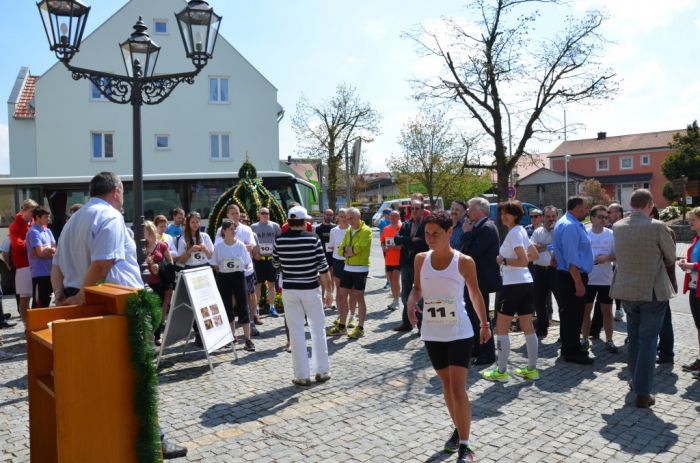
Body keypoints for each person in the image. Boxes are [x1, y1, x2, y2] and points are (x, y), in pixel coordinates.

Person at [49, 172, 187, 459]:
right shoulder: (109, 216)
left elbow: (57, 267)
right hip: (117, 308)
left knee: (102, 378)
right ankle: (153, 441)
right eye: (123, 194)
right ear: (116, 191)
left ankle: (111, 438)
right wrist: (80, 298)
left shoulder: (73, 220)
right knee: (138, 377)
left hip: (91, 303)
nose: (123, 199)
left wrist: (61, 295)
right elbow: (102, 265)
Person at [406, 211, 491, 462]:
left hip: (459, 331)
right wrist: (411, 302)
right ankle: (458, 428)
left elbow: (475, 294)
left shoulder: (464, 261)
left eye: (436, 234)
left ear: (449, 233)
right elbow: (418, 289)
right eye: (427, 234)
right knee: (446, 386)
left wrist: (484, 324)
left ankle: (465, 445)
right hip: (432, 331)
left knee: (457, 387)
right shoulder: (421, 259)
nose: (430, 238)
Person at [609, 189, 676, 408]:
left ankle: (634, 380)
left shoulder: (617, 227)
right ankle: (643, 392)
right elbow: (670, 256)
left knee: (634, 338)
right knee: (648, 341)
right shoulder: (658, 227)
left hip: (627, 291)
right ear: (649, 204)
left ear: (631, 204)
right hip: (653, 292)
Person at [273, 205, 333, 386]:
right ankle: (322, 371)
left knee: (296, 331)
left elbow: (276, 265)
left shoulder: (280, 240)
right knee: (317, 329)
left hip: (290, 288)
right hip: (310, 288)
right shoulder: (313, 239)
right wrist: (329, 291)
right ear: (304, 221)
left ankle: (301, 375)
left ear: (289, 221)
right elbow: (323, 268)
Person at [483, 201, 540, 382]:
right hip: (526, 283)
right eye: (502, 214)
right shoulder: (521, 230)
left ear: (516, 214)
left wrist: (503, 261)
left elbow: (524, 260)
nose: (503, 216)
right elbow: (534, 256)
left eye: (507, 213)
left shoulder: (514, 233)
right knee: (527, 326)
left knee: (501, 328)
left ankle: (501, 372)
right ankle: (532, 369)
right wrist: (514, 260)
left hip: (513, 285)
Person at [552, 196, 595, 364]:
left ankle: (570, 347)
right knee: (573, 315)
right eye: (585, 207)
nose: (587, 210)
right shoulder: (570, 226)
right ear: (577, 208)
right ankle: (571, 352)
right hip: (572, 276)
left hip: (568, 275)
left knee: (569, 314)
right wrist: (578, 282)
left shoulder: (566, 222)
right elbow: (572, 259)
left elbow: (560, 248)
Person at [459, 197, 500, 364]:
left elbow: (471, 253)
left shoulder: (487, 228)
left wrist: (467, 233)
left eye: (470, 208)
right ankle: (476, 347)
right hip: (474, 279)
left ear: (480, 210)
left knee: (482, 317)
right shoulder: (478, 226)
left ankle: (488, 353)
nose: (467, 211)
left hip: (482, 279)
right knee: (472, 315)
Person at [214, 205, 261, 333]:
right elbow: (218, 246)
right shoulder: (221, 230)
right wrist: (236, 246)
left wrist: (235, 245)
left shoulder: (246, 229)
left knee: (250, 295)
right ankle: (231, 327)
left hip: (246, 269)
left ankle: (251, 321)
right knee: (232, 299)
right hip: (228, 272)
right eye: (232, 213)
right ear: (227, 215)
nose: (235, 215)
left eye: (237, 213)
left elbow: (252, 246)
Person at [212, 219, 255, 352]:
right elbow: (214, 263)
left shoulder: (240, 245)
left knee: (242, 305)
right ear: (224, 231)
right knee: (227, 306)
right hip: (224, 278)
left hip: (238, 276)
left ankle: (248, 339)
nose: (234, 231)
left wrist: (238, 263)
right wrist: (220, 267)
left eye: (234, 228)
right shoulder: (219, 246)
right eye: (231, 228)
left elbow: (247, 262)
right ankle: (232, 336)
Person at [580, 205, 619, 353]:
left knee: (607, 310)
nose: (604, 219)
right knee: (586, 309)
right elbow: (579, 255)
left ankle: (609, 340)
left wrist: (607, 257)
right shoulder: (585, 234)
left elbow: (618, 256)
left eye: (605, 217)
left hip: (606, 280)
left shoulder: (611, 234)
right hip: (588, 279)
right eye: (600, 216)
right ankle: (584, 338)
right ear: (592, 218)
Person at [334, 207, 372, 339]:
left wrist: (348, 250)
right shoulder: (349, 230)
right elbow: (340, 250)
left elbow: (358, 249)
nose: (349, 221)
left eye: (352, 218)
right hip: (348, 268)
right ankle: (342, 326)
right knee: (341, 295)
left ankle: (360, 327)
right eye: (347, 218)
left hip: (360, 269)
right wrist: (348, 251)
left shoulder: (366, 231)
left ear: (359, 217)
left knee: (358, 296)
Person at [393, 200, 428, 333]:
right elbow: (397, 239)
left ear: (422, 210)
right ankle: (407, 322)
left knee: (419, 295)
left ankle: (421, 325)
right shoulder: (406, 224)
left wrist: (406, 242)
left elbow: (424, 242)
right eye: (412, 208)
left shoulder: (426, 224)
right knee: (405, 295)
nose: (414, 210)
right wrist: (411, 240)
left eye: (417, 208)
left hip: (420, 265)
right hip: (406, 264)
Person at [143, 220, 174, 346]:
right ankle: (148, 335)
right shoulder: (140, 247)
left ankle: (157, 335)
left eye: (143, 231)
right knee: (148, 309)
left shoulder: (162, 245)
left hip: (159, 282)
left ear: (150, 231)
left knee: (159, 308)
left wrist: (159, 266)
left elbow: (170, 263)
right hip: (145, 283)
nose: (141, 233)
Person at [530, 205, 557, 339]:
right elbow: (532, 250)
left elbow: (560, 248)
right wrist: (548, 246)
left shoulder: (559, 231)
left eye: (553, 216)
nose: (551, 219)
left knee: (561, 302)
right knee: (539, 302)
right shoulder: (537, 232)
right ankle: (542, 329)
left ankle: (564, 333)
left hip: (555, 271)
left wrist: (541, 246)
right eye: (548, 216)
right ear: (543, 217)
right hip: (539, 270)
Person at [327, 209, 356, 332]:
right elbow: (331, 246)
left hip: (350, 261)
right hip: (338, 261)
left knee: (352, 290)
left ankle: (352, 316)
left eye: (345, 216)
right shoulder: (334, 230)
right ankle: (341, 315)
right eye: (341, 216)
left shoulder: (352, 229)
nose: (343, 218)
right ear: (337, 217)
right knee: (339, 291)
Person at [10, 198, 38, 323]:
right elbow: (18, 246)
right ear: (23, 210)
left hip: (36, 265)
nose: (33, 214)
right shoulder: (14, 226)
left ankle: (34, 324)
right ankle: (27, 325)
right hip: (24, 267)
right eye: (31, 211)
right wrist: (34, 244)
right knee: (25, 299)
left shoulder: (34, 223)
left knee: (38, 298)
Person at [679, 207, 700, 377]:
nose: (690, 222)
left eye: (693, 219)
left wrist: (691, 266)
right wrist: (687, 262)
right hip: (695, 288)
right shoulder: (696, 238)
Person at [251, 207, 282, 318]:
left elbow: (279, 241)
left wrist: (277, 255)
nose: (265, 215)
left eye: (267, 213)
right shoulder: (253, 227)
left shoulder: (275, 226)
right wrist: (255, 254)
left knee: (271, 284)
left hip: (271, 260)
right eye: (263, 213)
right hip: (259, 260)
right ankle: (257, 308)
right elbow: (251, 242)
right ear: (258, 215)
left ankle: (272, 307)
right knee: (258, 285)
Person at [26, 207, 56, 309]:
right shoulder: (34, 232)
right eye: (45, 217)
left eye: (48, 216)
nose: (48, 219)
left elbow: (54, 248)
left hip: (50, 272)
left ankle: (42, 325)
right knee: (39, 304)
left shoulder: (47, 231)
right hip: (40, 274)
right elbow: (40, 253)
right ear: (37, 217)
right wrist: (49, 251)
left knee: (46, 302)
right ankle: (35, 325)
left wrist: (48, 250)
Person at [607, 203, 625, 322]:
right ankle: (618, 309)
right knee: (613, 287)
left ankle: (621, 309)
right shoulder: (608, 227)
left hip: (623, 264)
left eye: (610, 212)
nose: (607, 215)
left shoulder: (625, 227)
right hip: (611, 264)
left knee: (621, 288)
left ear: (618, 213)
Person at [381, 210, 402, 310]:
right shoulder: (386, 229)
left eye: (395, 216)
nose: (393, 217)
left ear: (399, 217)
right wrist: (383, 247)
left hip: (399, 259)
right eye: (391, 216)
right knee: (391, 281)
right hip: (388, 259)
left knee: (395, 279)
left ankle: (397, 300)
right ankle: (394, 299)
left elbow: (405, 244)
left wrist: (395, 247)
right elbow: (382, 241)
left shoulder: (401, 228)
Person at [315, 209, 336, 306]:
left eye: (331, 215)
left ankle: (331, 298)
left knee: (332, 279)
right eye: (327, 214)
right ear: (324, 215)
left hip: (333, 256)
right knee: (323, 279)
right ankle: (323, 299)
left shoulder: (335, 228)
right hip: (323, 256)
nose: (329, 216)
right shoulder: (319, 228)